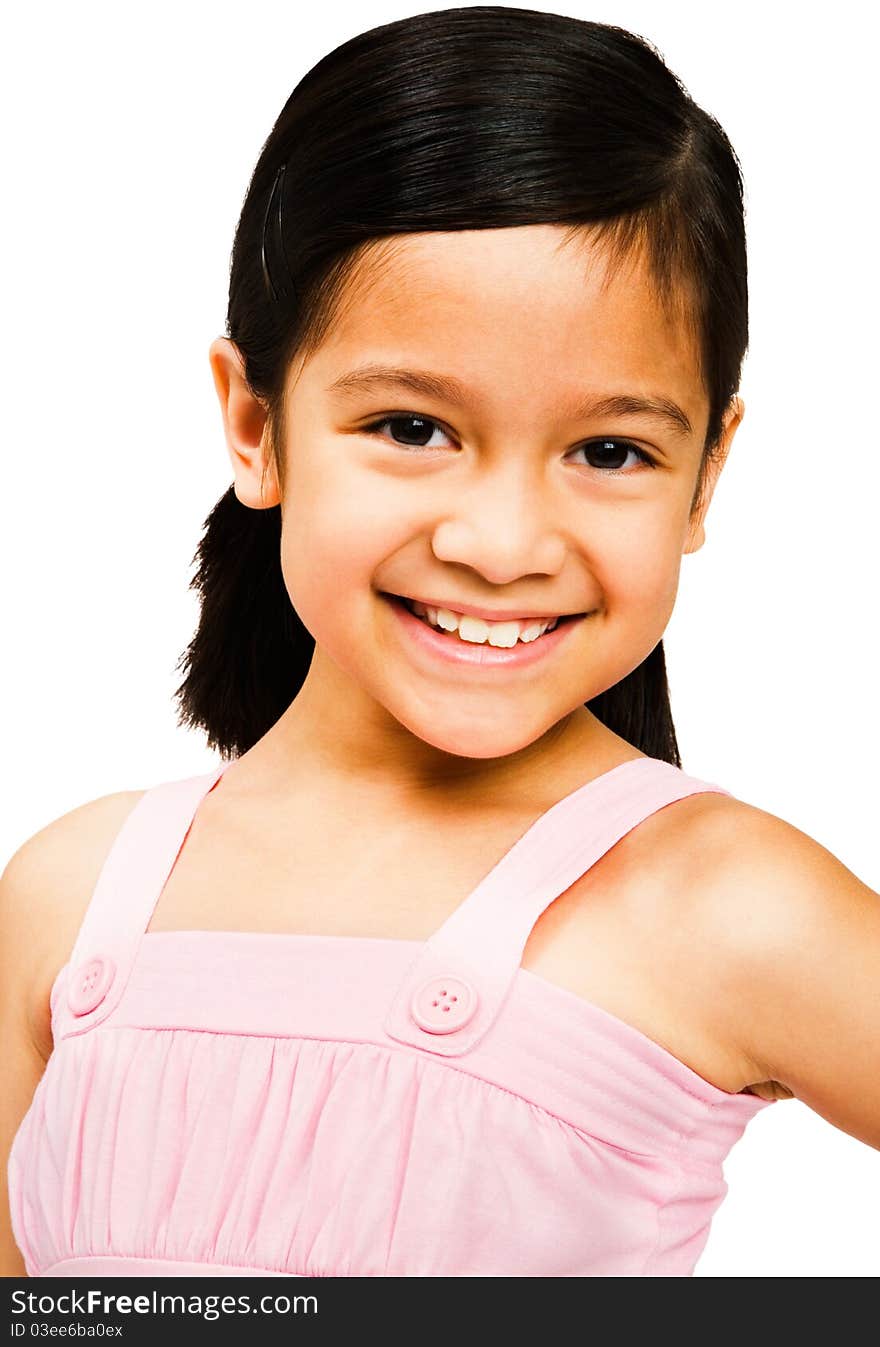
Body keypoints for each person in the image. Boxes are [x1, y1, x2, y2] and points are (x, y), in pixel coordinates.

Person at [2, 6, 877, 1280]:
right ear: (255, 424)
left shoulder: (730, 906)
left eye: (609, 452)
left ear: (705, 477)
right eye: (412, 427)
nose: (503, 539)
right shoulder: (70, 897)